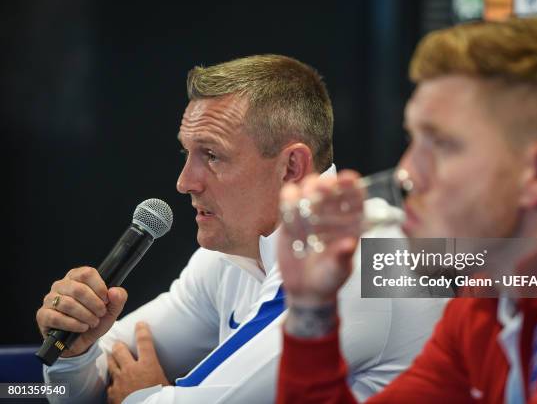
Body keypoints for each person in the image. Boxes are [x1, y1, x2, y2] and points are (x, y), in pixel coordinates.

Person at [36, 54, 445, 403]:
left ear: (292, 167)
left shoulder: (365, 262)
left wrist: (141, 394)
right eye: (187, 152)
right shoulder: (227, 256)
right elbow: (104, 369)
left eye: (211, 155)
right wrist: (78, 353)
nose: (185, 182)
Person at [276, 18, 537, 403]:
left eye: (441, 144)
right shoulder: (491, 288)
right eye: (413, 138)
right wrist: (310, 308)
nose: (405, 174)